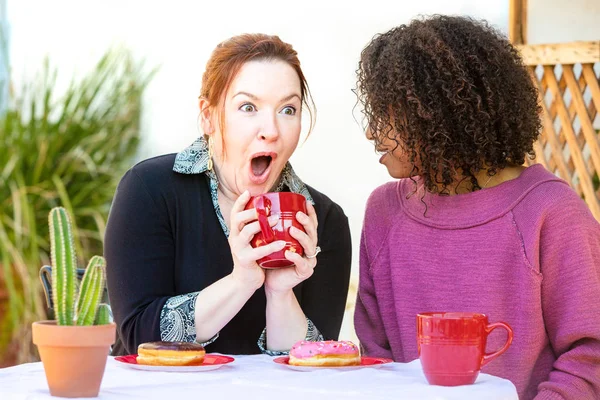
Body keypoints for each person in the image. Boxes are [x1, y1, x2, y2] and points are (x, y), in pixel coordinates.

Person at [353, 15, 600, 400]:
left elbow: (590, 354)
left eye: (388, 113)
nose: (372, 131)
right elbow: (377, 354)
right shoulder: (384, 211)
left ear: (438, 112)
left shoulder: (551, 213)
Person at [104, 33, 351, 357]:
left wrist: (279, 293)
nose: (272, 129)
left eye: (288, 109)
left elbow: (313, 366)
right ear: (208, 115)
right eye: (248, 107)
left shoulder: (324, 220)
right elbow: (139, 337)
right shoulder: (150, 191)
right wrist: (242, 282)